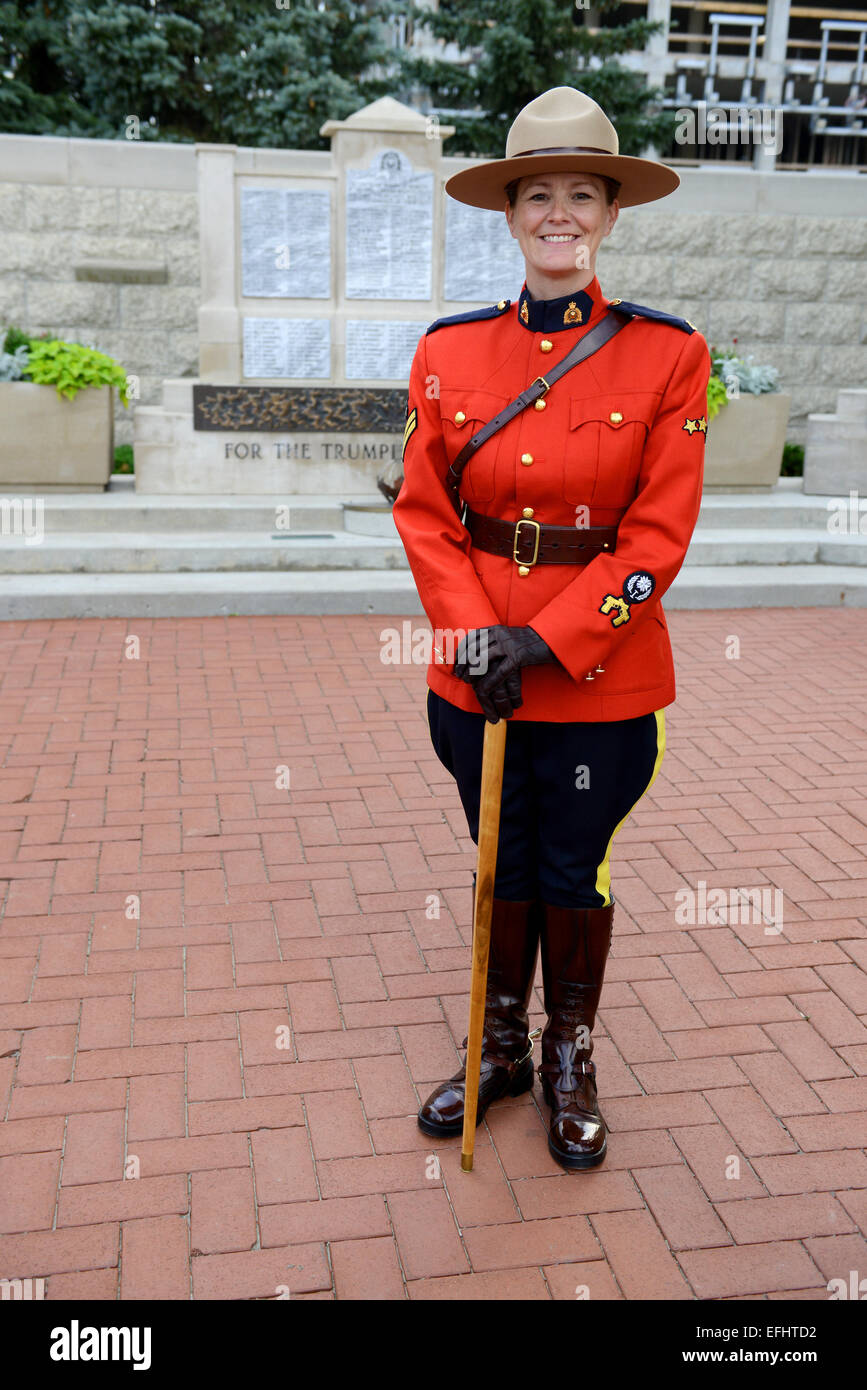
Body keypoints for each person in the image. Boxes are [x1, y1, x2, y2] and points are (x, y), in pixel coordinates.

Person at [391, 86, 711, 1170]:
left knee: (573, 866)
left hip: (599, 677)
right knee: (499, 854)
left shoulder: (669, 356)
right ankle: (498, 1049)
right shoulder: (447, 351)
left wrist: (550, 636)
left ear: (612, 216)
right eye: (539, 194)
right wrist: (477, 631)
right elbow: (425, 510)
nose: (560, 213)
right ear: (511, 213)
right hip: (471, 670)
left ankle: (569, 1053)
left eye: (583, 194)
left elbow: (658, 535)